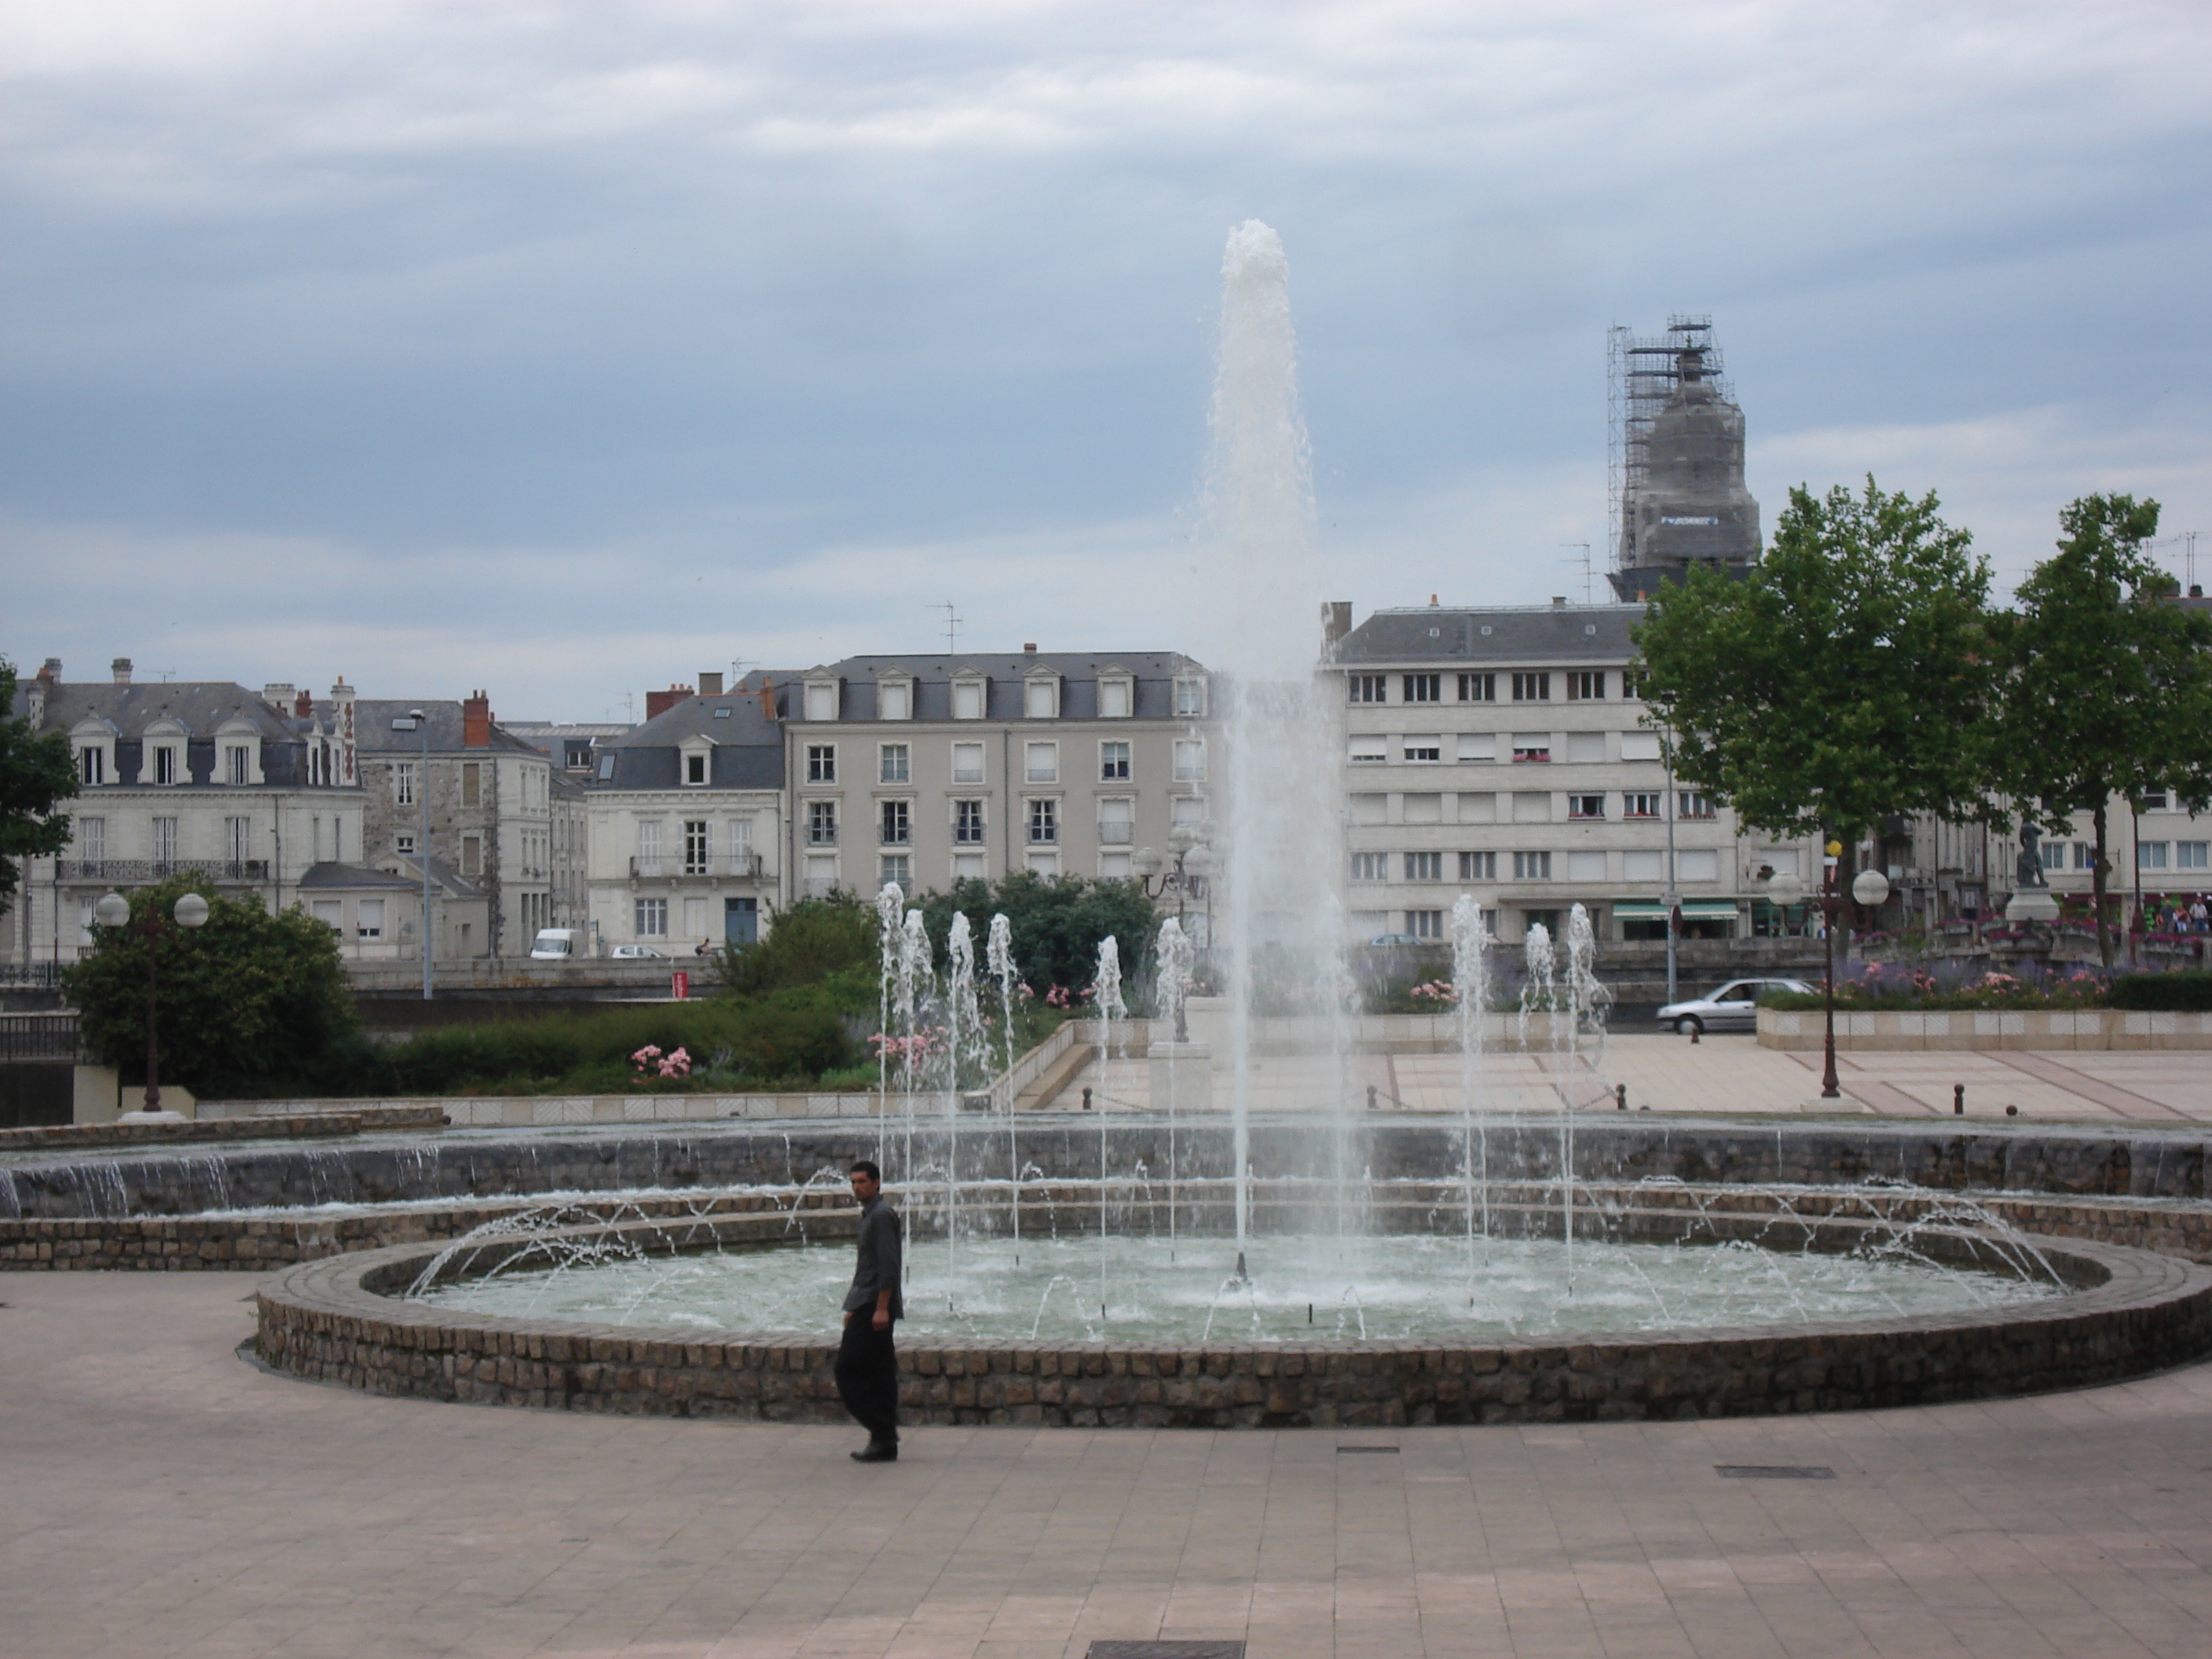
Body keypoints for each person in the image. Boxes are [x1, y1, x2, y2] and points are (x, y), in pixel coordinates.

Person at [836, 1159, 903, 1462]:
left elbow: (888, 1267)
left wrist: (880, 1309)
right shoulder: (871, 1215)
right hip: (866, 1303)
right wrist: (853, 1305)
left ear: (877, 1183)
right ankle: (884, 1440)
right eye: (853, 1182)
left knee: (846, 1368)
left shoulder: (882, 1216)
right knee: (879, 1371)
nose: (857, 1187)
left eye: (862, 1181)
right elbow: (867, 1267)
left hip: (875, 1306)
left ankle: (883, 1429)